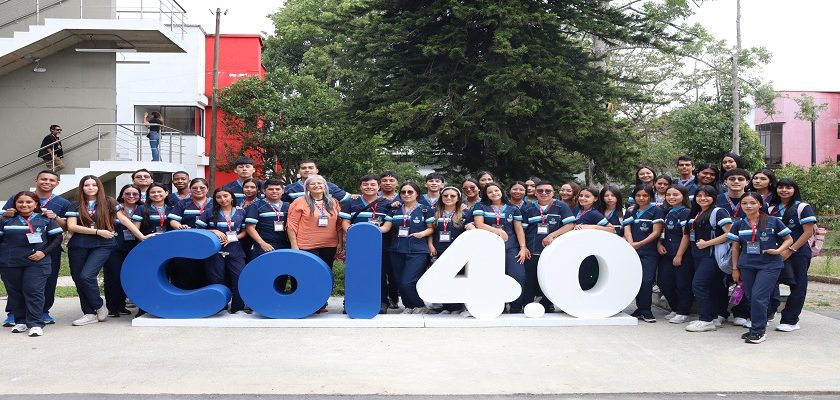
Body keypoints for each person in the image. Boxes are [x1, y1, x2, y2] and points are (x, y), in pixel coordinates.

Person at [3, 170, 71, 326]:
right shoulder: (19, 198)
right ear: (36, 180)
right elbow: (4, 219)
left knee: (48, 281)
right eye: (43, 179)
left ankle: (43, 311)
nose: (47, 182)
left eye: (51, 180)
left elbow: (67, 227)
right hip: (17, 249)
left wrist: (56, 217)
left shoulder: (62, 203)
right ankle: (14, 313)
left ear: (57, 183)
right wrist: (6, 214)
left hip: (48, 248)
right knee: (16, 283)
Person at [729, 192, 793, 344]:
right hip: (747, 265)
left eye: (752, 203)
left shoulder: (772, 221)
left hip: (769, 265)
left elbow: (789, 239)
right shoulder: (738, 224)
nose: (748, 206)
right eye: (744, 203)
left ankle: (758, 331)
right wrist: (735, 269)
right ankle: (756, 327)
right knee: (752, 297)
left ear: (760, 204)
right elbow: (735, 248)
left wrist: (779, 251)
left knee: (759, 296)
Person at [65, 176, 123, 326]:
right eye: (87, 185)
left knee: (86, 276)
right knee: (78, 279)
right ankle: (89, 313)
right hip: (79, 245)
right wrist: (98, 231)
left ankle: (98, 305)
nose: (90, 187)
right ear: (82, 187)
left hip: (102, 244)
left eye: (94, 185)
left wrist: (141, 236)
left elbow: (124, 220)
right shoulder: (75, 205)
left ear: (99, 187)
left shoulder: (109, 202)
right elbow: (71, 226)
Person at [286, 175, 344, 313]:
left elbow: (339, 224)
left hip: (328, 244)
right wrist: (294, 245)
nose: (317, 186)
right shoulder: (299, 202)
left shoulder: (333, 202)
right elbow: (291, 225)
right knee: (304, 274)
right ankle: (300, 301)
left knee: (324, 274)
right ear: (307, 187)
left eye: (320, 183)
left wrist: (340, 242)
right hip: (305, 245)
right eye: (313, 184)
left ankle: (320, 303)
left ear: (325, 186)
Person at [473, 182, 530, 313]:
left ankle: (516, 307)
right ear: (486, 194)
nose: (494, 193)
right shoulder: (481, 206)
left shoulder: (512, 208)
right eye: (490, 192)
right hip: (489, 248)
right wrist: (497, 230)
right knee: (493, 277)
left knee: (518, 275)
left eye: (496, 190)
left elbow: (519, 229)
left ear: (501, 191)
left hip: (511, 247)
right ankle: (499, 305)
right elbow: (479, 224)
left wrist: (522, 247)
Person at [339, 175, 392, 314]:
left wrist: (371, 232)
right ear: (360, 187)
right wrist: (352, 231)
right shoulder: (350, 202)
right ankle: (350, 302)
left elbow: (387, 225)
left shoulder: (387, 204)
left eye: (373, 184)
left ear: (379, 187)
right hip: (356, 245)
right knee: (354, 273)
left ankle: (382, 302)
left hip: (378, 244)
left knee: (379, 274)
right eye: (365, 184)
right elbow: (345, 222)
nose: (369, 187)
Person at [769, 178, 816, 332]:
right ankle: (767, 314)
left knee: (798, 285)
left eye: (788, 187)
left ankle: (790, 320)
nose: (784, 190)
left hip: (798, 251)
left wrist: (790, 250)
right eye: (781, 187)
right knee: (770, 283)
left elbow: (808, 232)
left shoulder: (802, 207)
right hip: (776, 252)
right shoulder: (771, 209)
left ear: (794, 190)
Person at [379, 182, 434, 314]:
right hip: (396, 250)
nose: (406, 194)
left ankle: (419, 304)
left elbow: (431, 228)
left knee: (408, 281)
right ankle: (408, 305)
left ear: (417, 194)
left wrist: (422, 234)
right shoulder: (394, 209)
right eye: (403, 192)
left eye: (410, 192)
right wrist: (369, 229)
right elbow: (386, 227)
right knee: (399, 281)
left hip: (418, 251)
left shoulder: (425, 210)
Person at [684, 185, 733, 332]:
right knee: (711, 286)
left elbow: (730, 234)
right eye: (699, 196)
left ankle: (705, 320)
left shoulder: (719, 212)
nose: (702, 198)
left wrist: (707, 243)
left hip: (712, 256)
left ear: (714, 197)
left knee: (699, 285)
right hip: (698, 256)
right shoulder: (697, 213)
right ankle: (712, 316)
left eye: (707, 195)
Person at [521, 181, 575, 310]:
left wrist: (551, 236)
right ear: (535, 193)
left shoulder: (561, 206)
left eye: (548, 191)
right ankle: (527, 305)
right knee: (530, 279)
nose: (544, 193)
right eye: (540, 191)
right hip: (532, 251)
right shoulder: (527, 208)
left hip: (553, 251)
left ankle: (548, 305)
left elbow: (570, 225)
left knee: (551, 278)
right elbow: (521, 230)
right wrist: (524, 247)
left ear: (553, 193)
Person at [196, 188, 248, 314]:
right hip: (215, 250)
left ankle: (238, 307)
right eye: (218, 197)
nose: (223, 199)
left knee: (238, 277)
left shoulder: (241, 212)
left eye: (225, 196)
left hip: (235, 249)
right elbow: (197, 229)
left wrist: (234, 238)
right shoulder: (209, 212)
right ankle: (219, 306)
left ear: (232, 197)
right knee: (216, 278)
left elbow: (246, 231)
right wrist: (213, 230)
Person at [103, 184, 148, 317]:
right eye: (127, 193)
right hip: (115, 246)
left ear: (140, 196)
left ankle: (125, 304)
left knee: (131, 275)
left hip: (136, 246)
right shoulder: (114, 208)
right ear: (122, 195)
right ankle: (113, 307)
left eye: (135, 194)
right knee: (113, 275)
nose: (131, 196)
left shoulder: (143, 208)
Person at [622, 184, 664, 323]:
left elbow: (656, 232)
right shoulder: (630, 210)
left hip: (649, 252)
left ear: (650, 197)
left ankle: (646, 310)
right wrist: (631, 243)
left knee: (646, 280)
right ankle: (640, 309)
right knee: (636, 280)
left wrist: (639, 244)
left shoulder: (656, 210)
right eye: (638, 195)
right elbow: (627, 229)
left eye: (645, 195)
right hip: (632, 250)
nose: (641, 198)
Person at [656, 185, 694, 324]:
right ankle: (676, 308)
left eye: (675, 194)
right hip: (667, 253)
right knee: (663, 282)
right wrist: (659, 244)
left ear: (683, 196)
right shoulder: (668, 211)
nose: (671, 197)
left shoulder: (685, 212)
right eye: (668, 195)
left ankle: (683, 312)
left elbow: (686, 235)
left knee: (682, 283)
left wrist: (679, 255)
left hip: (682, 254)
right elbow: (663, 232)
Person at [427, 186, 467, 314]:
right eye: (445, 195)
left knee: (456, 278)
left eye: (452, 196)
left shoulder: (464, 213)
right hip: (439, 249)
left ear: (458, 198)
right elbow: (431, 230)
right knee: (442, 278)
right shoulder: (434, 212)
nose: (448, 198)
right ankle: (445, 306)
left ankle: (456, 307)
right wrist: (430, 245)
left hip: (457, 251)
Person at [167, 178, 212, 289]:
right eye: (194, 188)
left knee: (208, 270)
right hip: (187, 242)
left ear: (207, 189)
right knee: (185, 270)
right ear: (190, 189)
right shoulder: (183, 203)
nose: (198, 190)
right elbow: (173, 220)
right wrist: (179, 226)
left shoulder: (214, 202)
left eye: (202, 187)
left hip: (209, 242)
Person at [573, 188, 612, 291]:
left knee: (583, 275)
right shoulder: (576, 209)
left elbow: (611, 229)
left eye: (587, 196)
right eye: (581, 195)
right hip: (574, 248)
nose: (582, 198)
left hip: (587, 249)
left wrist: (592, 227)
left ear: (595, 199)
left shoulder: (595, 214)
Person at [245, 178, 291, 260]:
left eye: (277, 189)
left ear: (283, 191)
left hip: (285, 245)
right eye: (270, 189)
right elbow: (250, 227)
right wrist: (262, 243)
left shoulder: (289, 206)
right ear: (264, 191)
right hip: (263, 246)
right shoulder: (256, 205)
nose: (274, 191)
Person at [378, 170, 400, 308]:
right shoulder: (373, 197)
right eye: (384, 180)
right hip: (379, 239)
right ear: (380, 183)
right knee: (380, 270)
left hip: (398, 238)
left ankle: (394, 297)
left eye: (391, 180)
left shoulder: (403, 197)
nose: (388, 183)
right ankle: (382, 299)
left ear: (397, 183)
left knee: (394, 271)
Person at [283, 160, 351, 204]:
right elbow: (282, 207)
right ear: (299, 171)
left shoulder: (330, 186)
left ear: (317, 170)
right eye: (303, 168)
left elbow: (348, 200)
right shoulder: (290, 189)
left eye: (311, 168)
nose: (307, 170)